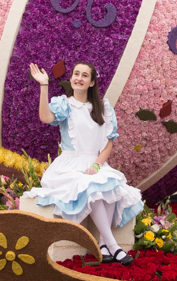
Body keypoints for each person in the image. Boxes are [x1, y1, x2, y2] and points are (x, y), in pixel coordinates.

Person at [19, 60, 143, 263]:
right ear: (71, 79)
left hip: (96, 163)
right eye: (76, 74)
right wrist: (44, 85)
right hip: (69, 165)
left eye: (85, 75)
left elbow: (108, 144)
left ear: (92, 82)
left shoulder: (103, 108)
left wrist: (96, 165)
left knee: (111, 184)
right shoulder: (64, 105)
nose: (79, 78)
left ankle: (104, 245)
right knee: (91, 186)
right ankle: (114, 246)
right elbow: (45, 117)